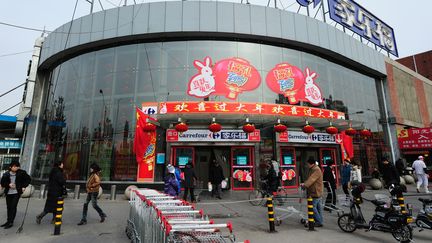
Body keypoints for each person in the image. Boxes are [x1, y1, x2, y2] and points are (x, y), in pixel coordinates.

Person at [0, 161, 31, 229]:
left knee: (13, 206)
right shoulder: (6, 174)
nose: (16, 168)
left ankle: (11, 222)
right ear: (10, 167)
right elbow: (2, 183)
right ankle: (8, 221)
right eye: (14, 166)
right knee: (9, 207)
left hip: (16, 193)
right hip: (8, 193)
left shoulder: (22, 173)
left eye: (17, 166)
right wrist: (8, 184)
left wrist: (24, 186)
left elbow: (28, 179)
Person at [301, 157, 324, 227]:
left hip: (315, 191)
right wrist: (305, 183)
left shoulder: (316, 169)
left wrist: (305, 185)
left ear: (312, 164)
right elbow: (309, 179)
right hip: (316, 191)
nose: (307, 165)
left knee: (312, 207)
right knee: (318, 208)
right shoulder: (312, 169)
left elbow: (311, 179)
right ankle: (320, 221)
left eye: (308, 164)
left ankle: (318, 221)